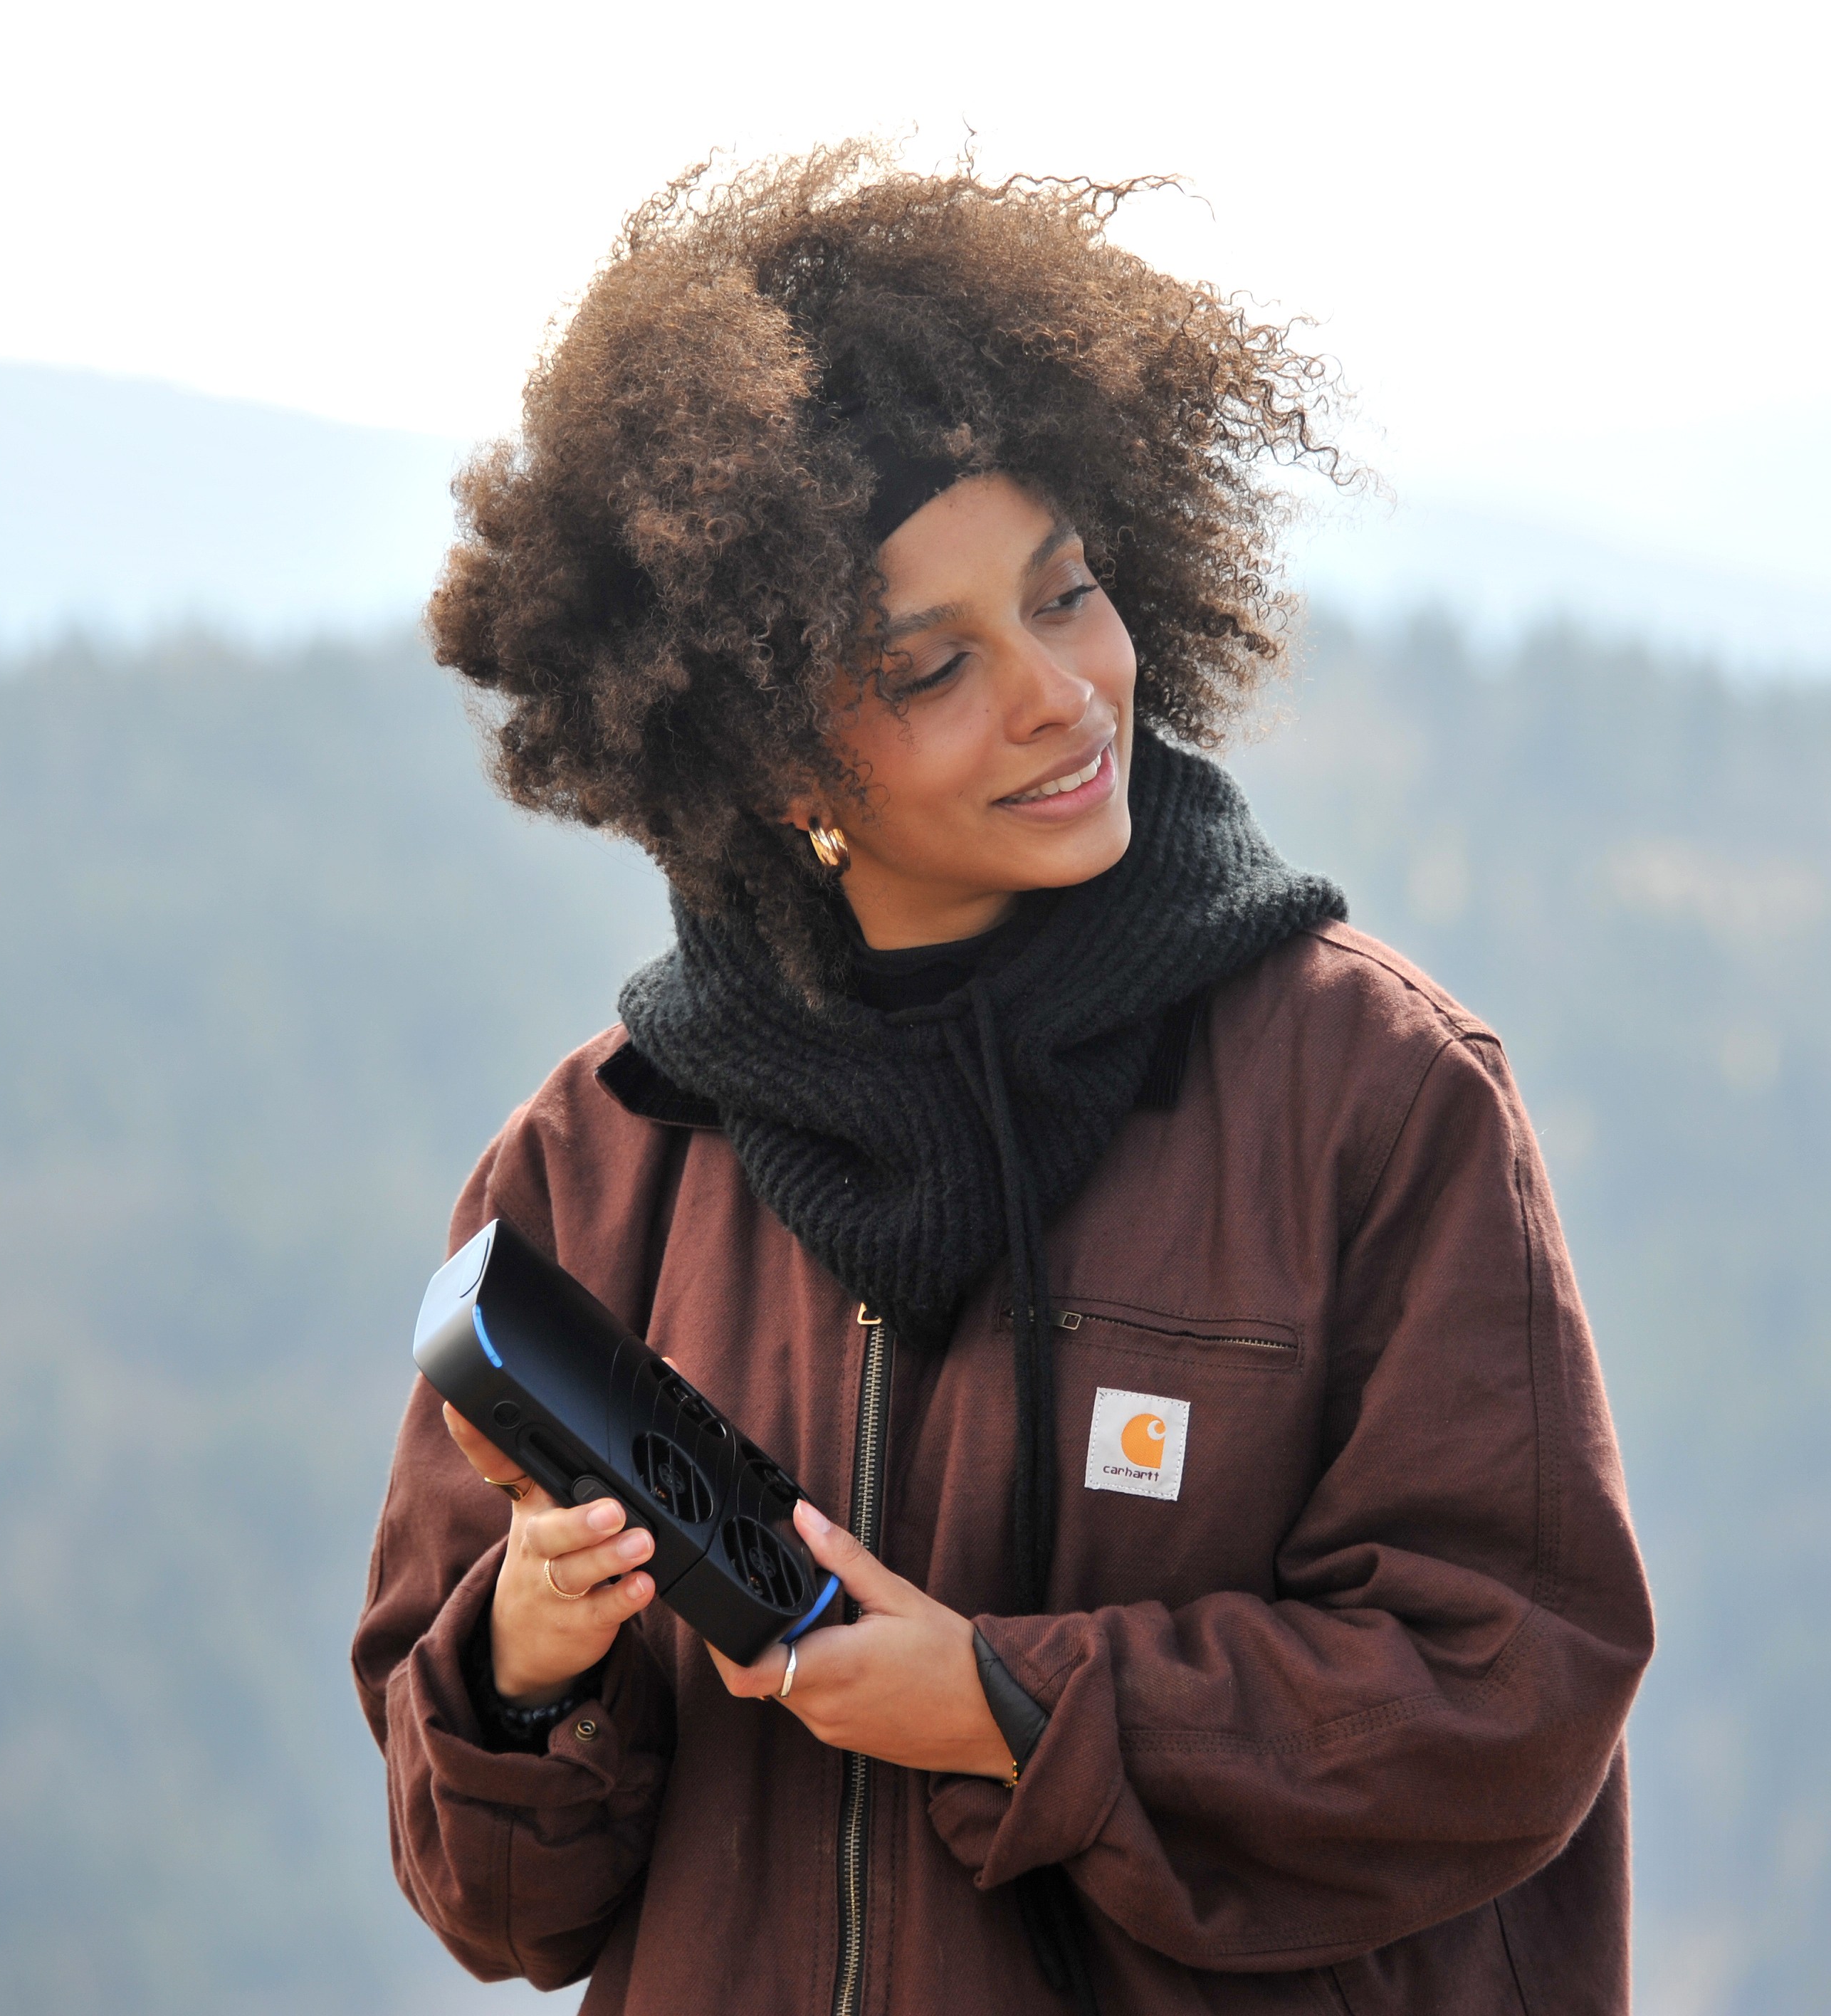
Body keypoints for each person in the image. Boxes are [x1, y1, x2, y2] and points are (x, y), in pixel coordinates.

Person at [351, 146, 1654, 2016]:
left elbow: (1511, 1688)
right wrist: (526, 1663)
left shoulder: (1371, 1098)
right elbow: (497, 1908)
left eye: (1063, 592)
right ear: (777, 760)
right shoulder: (599, 1169)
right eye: (933, 664)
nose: (1060, 693)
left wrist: (1013, 1710)